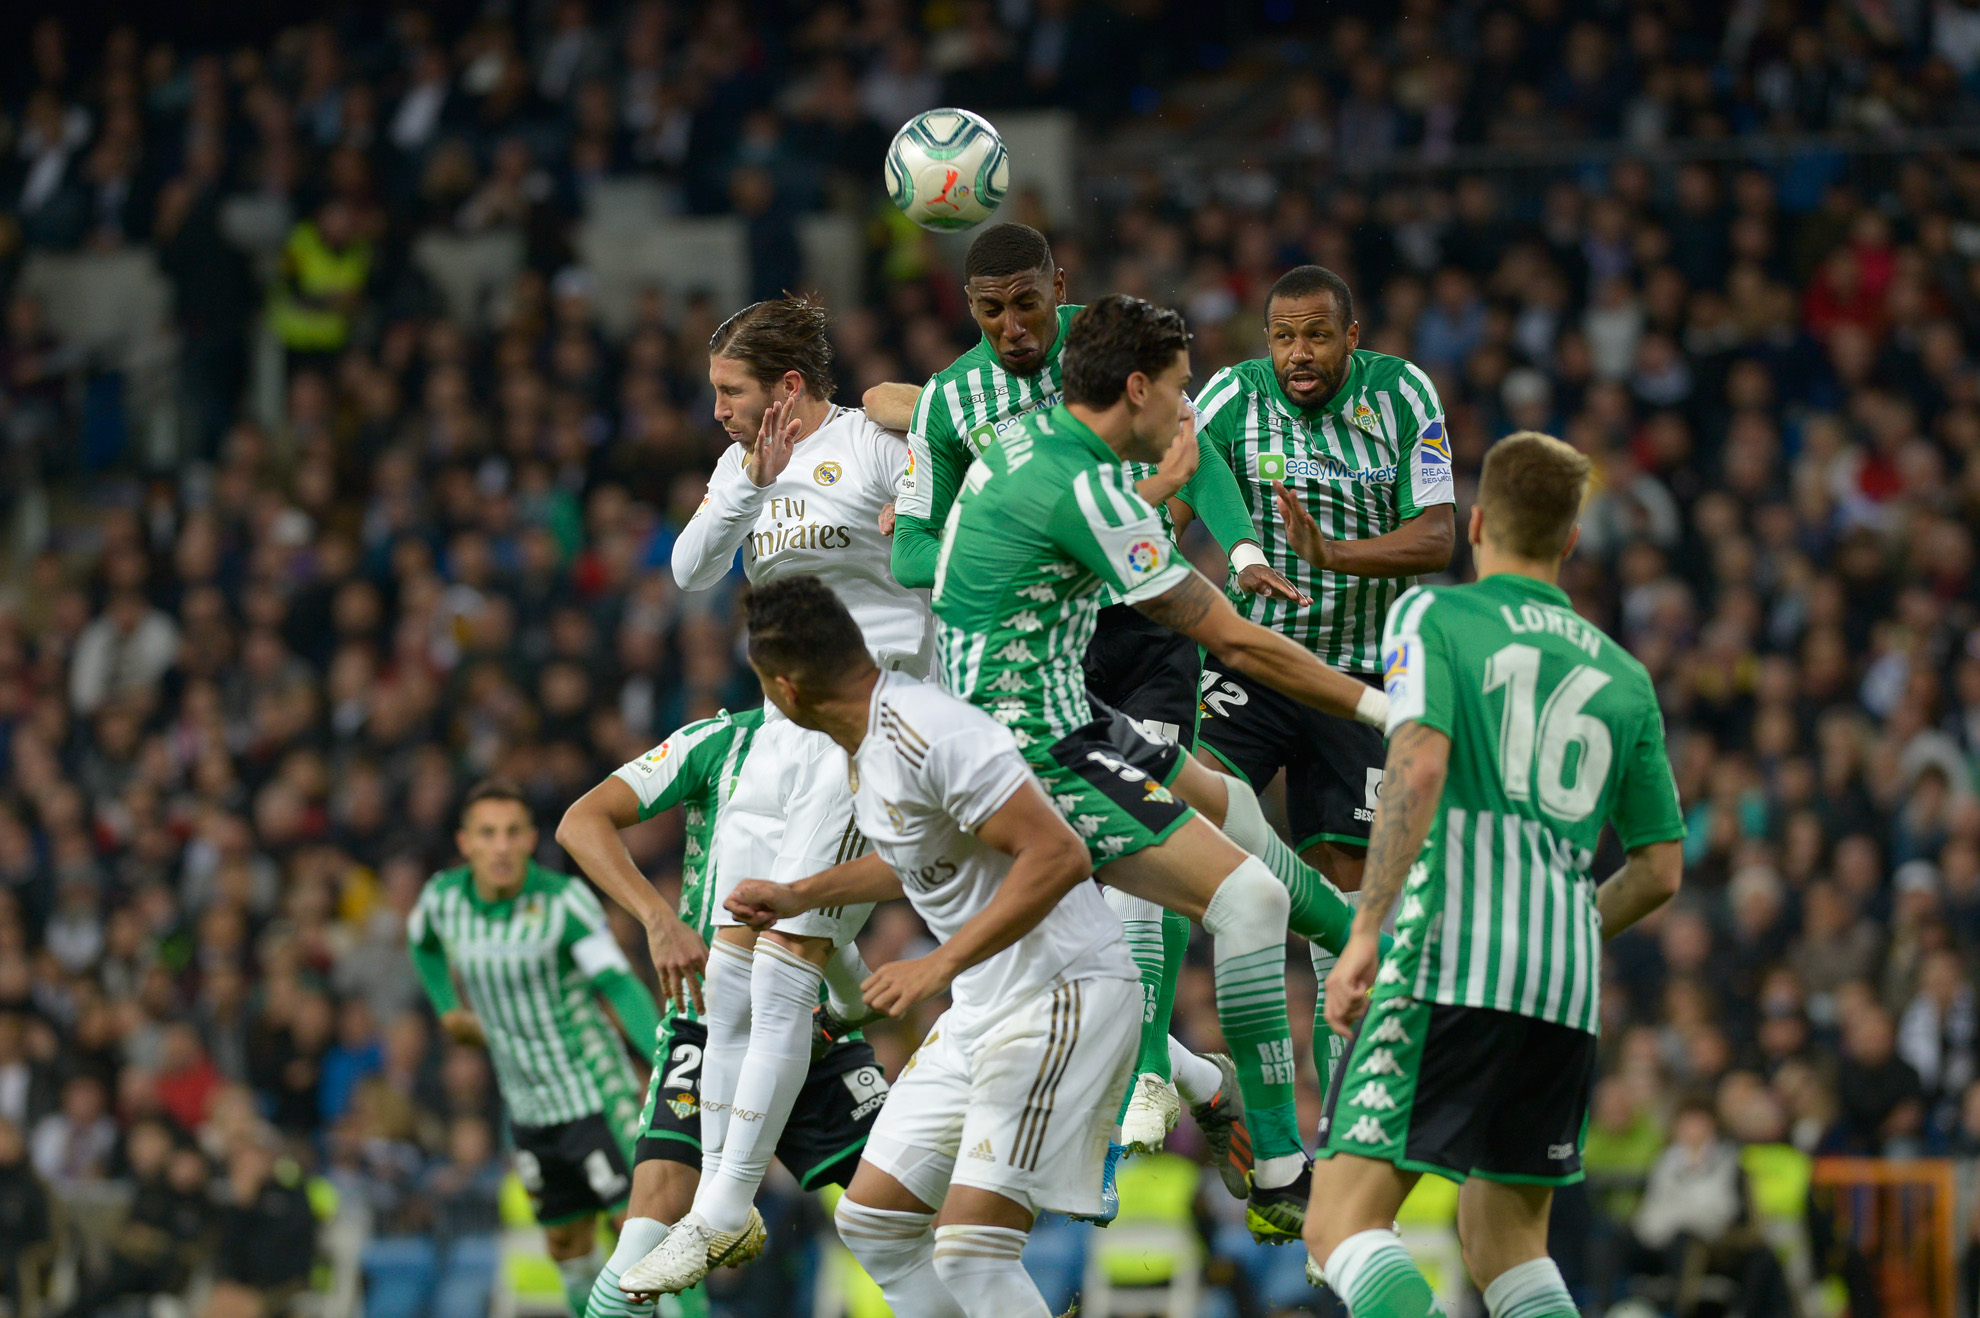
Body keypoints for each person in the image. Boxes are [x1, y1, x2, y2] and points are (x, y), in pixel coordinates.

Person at [926, 293, 1388, 1241]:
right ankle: (1282, 1169)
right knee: (1250, 900)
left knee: (1232, 808)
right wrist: (1385, 708)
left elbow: (1067, 532)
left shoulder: (1030, 446)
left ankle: (1368, 954)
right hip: (1026, 755)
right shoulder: (1083, 487)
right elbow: (1237, 641)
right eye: (1180, 390)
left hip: (1043, 711)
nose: (1190, 411)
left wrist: (1156, 492)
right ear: (1136, 389)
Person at [869, 223, 1303, 1171]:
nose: (1014, 326)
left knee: (1179, 843)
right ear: (968, 306)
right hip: (1040, 655)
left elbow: (1197, 452)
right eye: (992, 310)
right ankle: (1200, 1083)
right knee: (1106, 890)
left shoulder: (1112, 352)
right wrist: (1004, 534)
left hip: (1144, 626)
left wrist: (1241, 548)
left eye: (1028, 303)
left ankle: (1154, 1077)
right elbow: (912, 551)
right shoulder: (952, 398)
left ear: (1058, 289)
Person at [1305, 431, 1687, 1318]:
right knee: (1506, 1244)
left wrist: (1366, 931)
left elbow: (1419, 767)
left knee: (1340, 1226)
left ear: (1476, 524)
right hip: (1564, 985)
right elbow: (1661, 870)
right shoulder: (1625, 676)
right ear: (1571, 540)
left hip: (1450, 956)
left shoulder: (1433, 618)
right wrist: (1570, 927)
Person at [708, 573, 1138, 1318]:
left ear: (785, 689)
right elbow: (914, 853)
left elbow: (1059, 855)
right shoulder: (866, 745)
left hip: (1061, 993)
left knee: (973, 1251)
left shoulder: (929, 730)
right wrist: (801, 894)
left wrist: (937, 963)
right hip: (983, 1008)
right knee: (873, 1224)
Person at [650, 295, 932, 1289]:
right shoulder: (742, 467)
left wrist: (917, 518)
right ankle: (721, 1209)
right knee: (730, 967)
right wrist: (749, 487)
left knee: (783, 966)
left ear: (791, 386)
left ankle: (724, 1208)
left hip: (866, 722)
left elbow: (937, 544)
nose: (718, 410)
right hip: (777, 730)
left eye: (731, 391)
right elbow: (689, 570)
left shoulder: (873, 447)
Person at [1191, 264, 1457, 1077]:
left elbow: (1438, 537)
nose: (1298, 354)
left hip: (1362, 681)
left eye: (1315, 336)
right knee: (1173, 806)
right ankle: (1181, 1076)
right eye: (1283, 337)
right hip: (1257, 660)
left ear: (1351, 336)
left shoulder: (1402, 394)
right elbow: (1169, 496)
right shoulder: (1232, 398)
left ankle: (1342, 1118)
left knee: (1350, 909)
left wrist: (1331, 554)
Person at [555, 704, 889, 1318]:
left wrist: (849, 990)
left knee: (911, 1212)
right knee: (642, 1248)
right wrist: (658, 919)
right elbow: (582, 820)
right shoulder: (717, 741)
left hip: (808, 1020)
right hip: (708, 1022)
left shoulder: (864, 741)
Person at [407, 780, 662, 1318]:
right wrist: (448, 1008)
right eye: (487, 834)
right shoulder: (443, 900)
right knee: (566, 1244)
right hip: (526, 1108)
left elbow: (618, 983)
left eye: (512, 832)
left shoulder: (562, 902)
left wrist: (665, 1059)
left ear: (530, 840)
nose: (501, 846)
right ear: (465, 843)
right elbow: (422, 943)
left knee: (640, 1235)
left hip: (595, 1093)